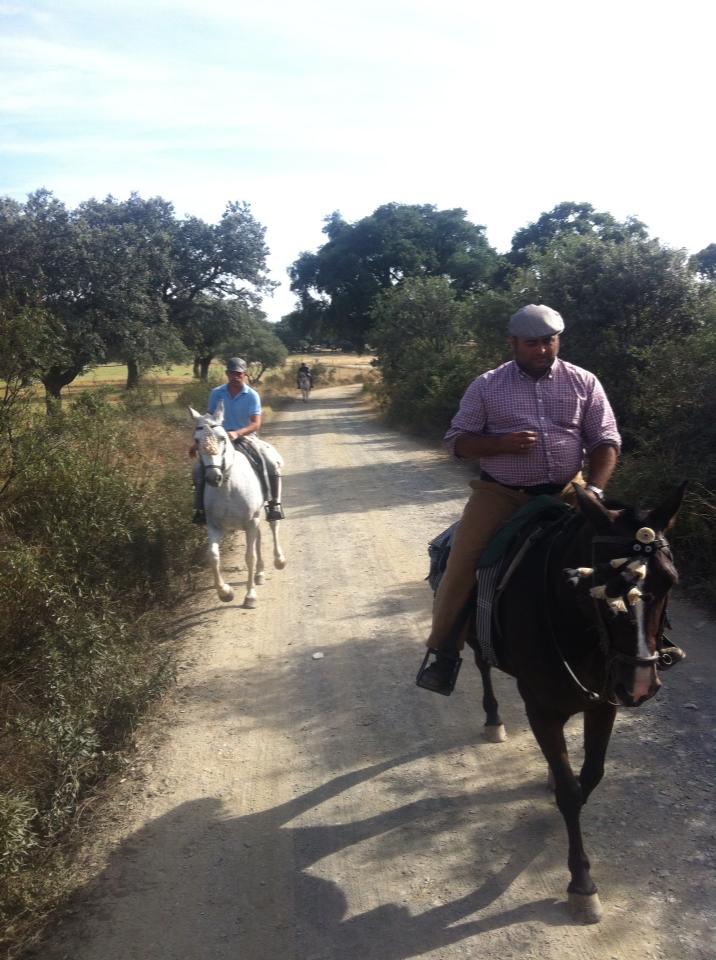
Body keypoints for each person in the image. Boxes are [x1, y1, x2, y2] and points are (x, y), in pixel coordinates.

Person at [417, 304, 621, 694]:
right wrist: (498, 445)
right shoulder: (487, 385)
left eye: (550, 341)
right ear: (513, 343)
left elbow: (605, 440)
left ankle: (633, 644)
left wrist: (593, 490)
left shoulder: (584, 382)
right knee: (463, 561)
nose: (543, 350)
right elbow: (455, 442)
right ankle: (444, 653)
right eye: (533, 343)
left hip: (569, 490)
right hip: (502, 494)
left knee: (621, 553)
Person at [190, 357, 285, 524]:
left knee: (269, 462)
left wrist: (237, 433)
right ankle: (200, 509)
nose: (236, 376)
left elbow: (256, 423)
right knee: (198, 469)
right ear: (227, 374)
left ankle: (273, 505)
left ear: (245, 375)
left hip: (246, 437)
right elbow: (208, 421)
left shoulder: (252, 395)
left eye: (239, 374)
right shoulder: (216, 393)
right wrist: (199, 443)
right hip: (219, 438)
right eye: (232, 373)